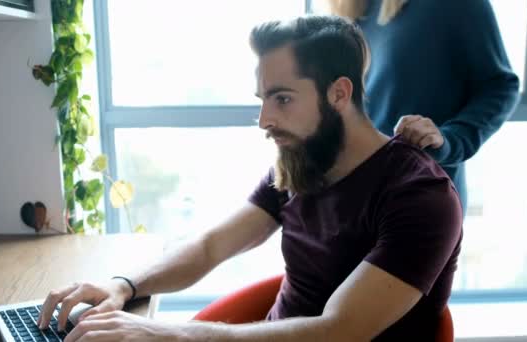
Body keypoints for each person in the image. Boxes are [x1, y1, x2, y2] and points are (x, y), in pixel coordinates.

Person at [37, 15, 462, 341]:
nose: (264, 120)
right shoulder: (301, 162)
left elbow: (340, 331)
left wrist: (169, 334)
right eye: (263, 100)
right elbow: (210, 246)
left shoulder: (419, 196)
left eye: (282, 99)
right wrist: (123, 286)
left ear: (339, 93)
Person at [325, 0, 520, 212]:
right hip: (350, 197)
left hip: (416, 200)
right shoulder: (350, 12)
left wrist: (451, 139)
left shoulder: (456, 5)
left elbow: (499, 87)